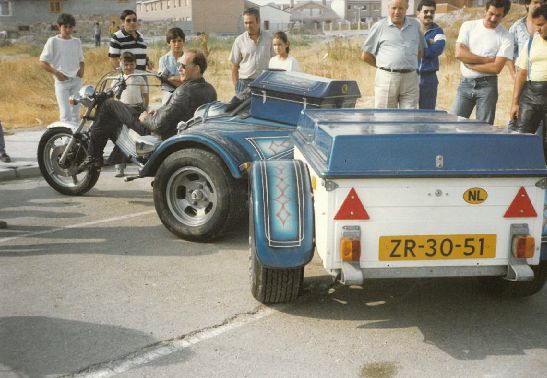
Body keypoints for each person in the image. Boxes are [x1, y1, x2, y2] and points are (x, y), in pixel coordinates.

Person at [79, 49, 217, 170]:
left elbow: (158, 125)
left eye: (183, 66)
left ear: (197, 69)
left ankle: (93, 157)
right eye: (179, 65)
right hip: (177, 130)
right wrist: (158, 111)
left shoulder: (185, 91)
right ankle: (116, 154)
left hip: (157, 131)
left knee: (108, 105)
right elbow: (177, 111)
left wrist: (145, 118)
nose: (179, 68)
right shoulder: (210, 89)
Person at [451, 0, 513, 125]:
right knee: (453, 124)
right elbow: (459, 53)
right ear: (486, 9)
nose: (493, 18)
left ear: (504, 15)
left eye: (498, 15)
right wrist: (486, 60)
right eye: (491, 13)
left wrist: (469, 64)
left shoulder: (506, 36)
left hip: (487, 87)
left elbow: (496, 68)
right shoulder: (468, 26)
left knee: (484, 129)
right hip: (465, 84)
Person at [360, 0, 424, 109]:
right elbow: (365, 56)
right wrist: (385, 66)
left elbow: (420, 51)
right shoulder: (379, 26)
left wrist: (405, 64)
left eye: (401, 8)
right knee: (386, 118)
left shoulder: (415, 26)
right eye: (394, 8)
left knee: (409, 119)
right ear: (388, 8)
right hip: (387, 78)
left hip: (410, 79)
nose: (397, 12)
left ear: (407, 8)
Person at [510, 4, 547, 161]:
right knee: (522, 138)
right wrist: (514, 103)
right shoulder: (531, 42)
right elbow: (521, 73)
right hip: (530, 95)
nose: (537, 29)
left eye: (541, 25)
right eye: (536, 25)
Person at [39, 13, 84, 124]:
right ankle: (65, 140)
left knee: (76, 114)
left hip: (76, 81)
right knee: (65, 114)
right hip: (62, 82)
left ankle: (75, 141)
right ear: (59, 27)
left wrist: (82, 70)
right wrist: (56, 73)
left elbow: (81, 59)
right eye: (65, 26)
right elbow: (42, 62)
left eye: (70, 27)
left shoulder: (76, 41)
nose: (68, 29)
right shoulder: (53, 41)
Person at [112, 52, 149, 177]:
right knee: (122, 137)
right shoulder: (117, 79)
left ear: (135, 64)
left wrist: (145, 108)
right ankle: (119, 166)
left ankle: (144, 164)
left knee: (141, 135)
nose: (128, 67)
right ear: (121, 64)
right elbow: (114, 97)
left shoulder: (139, 78)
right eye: (126, 64)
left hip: (138, 109)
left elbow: (145, 95)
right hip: (123, 110)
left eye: (131, 64)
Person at [230, 7, 274, 94]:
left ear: (258, 22)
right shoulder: (239, 40)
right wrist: (237, 86)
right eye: (245, 23)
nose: (248, 26)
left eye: (251, 22)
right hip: (244, 84)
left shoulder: (269, 38)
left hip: (265, 84)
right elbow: (234, 67)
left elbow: (276, 61)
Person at [416, 0, 445, 110]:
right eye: (426, 11)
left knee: (427, 113)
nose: (429, 14)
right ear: (418, 13)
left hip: (429, 78)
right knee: (409, 111)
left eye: (432, 12)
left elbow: (438, 49)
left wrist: (419, 50)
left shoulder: (438, 31)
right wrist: (428, 44)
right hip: (410, 76)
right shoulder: (412, 29)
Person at [158, 27, 186, 105]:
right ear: (168, 43)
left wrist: (171, 78)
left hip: (187, 94)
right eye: (174, 41)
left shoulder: (188, 59)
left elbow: (188, 81)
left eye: (179, 41)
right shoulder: (163, 60)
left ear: (184, 41)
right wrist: (180, 81)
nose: (177, 44)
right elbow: (163, 79)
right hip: (169, 95)